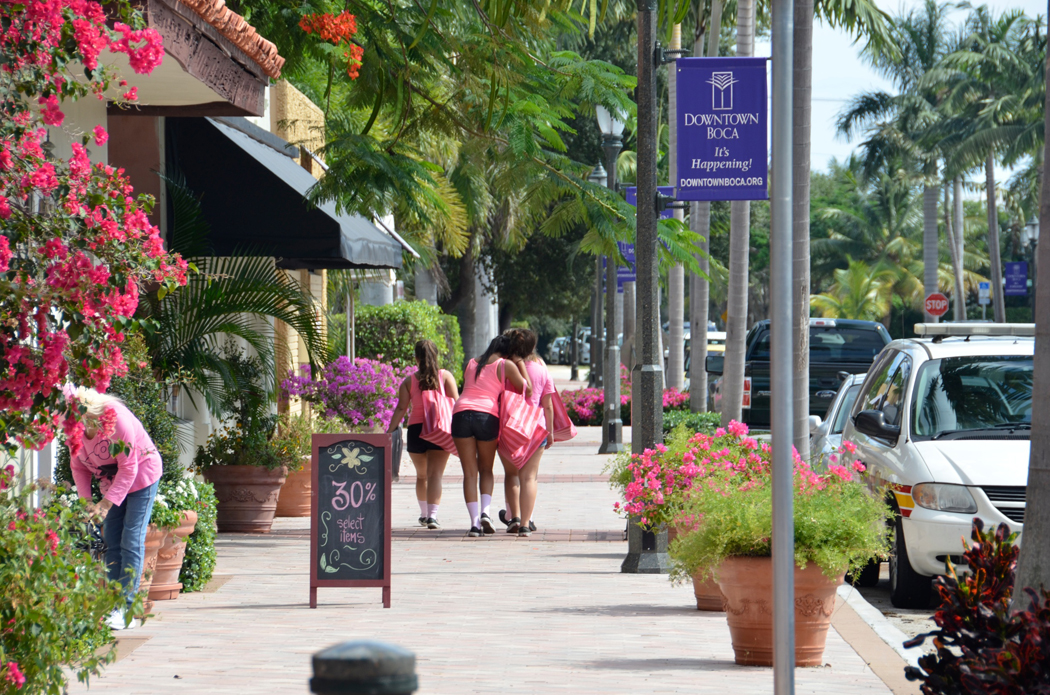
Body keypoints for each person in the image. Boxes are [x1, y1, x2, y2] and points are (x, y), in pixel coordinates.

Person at [68, 386, 161, 631]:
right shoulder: (74, 429)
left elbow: (129, 468)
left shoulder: (115, 420)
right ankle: (113, 604)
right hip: (112, 483)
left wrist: (106, 504)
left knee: (131, 539)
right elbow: (78, 467)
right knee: (111, 541)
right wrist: (86, 502)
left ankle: (127, 609)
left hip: (142, 475)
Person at [452, 335, 530, 537]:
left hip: (460, 413)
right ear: (507, 352)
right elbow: (526, 389)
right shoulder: (505, 365)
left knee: (469, 473)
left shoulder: (471, 363)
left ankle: (474, 524)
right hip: (486, 416)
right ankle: (486, 512)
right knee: (486, 469)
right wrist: (519, 363)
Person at [387, 340, 459, 529]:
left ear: (416, 358)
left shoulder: (409, 381)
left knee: (422, 476)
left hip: (417, 431)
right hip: (439, 428)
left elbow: (401, 409)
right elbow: (457, 404)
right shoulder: (445, 377)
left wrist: (388, 432)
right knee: (435, 475)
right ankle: (433, 517)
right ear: (436, 355)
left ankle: (424, 514)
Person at [498, 329, 555, 537]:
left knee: (511, 474)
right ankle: (525, 523)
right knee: (529, 477)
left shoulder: (505, 368)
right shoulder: (542, 370)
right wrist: (550, 432)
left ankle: (513, 518)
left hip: (510, 426)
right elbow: (547, 405)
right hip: (536, 428)